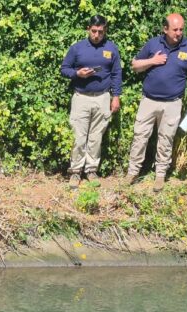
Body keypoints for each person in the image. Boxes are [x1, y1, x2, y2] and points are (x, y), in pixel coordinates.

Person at [124, 13, 187, 192]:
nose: (179, 33)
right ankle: (132, 173)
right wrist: (153, 61)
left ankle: (160, 176)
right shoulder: (153, 44)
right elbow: (134, 65)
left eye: (181, 29)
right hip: (149, 101)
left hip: (173, 104)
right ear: (165, 29)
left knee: (166, 139)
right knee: (139, 136)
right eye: (175, 29)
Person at [60, 15, 123, 189]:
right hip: (81, 97)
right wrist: (77, 74)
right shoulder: (77, 48)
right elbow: (64, 69)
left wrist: (115, 96)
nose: (97, 35)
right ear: (88, 29)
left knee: (96, 137)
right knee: (79, 137)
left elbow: (117, 74)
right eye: (94, 31)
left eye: (100, 32)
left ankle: (91, 170)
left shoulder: (111, 48)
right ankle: (75, 172)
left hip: (102, 98)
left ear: (105, 30)